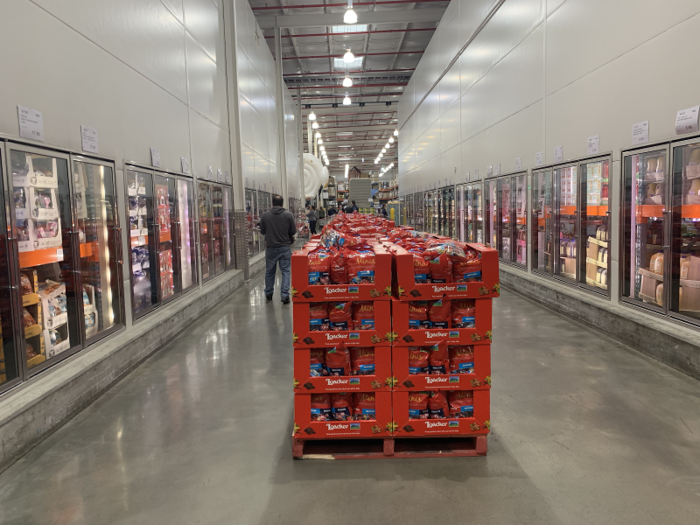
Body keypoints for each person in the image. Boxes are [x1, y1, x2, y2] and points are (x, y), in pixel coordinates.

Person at [260, 194, 296, 304]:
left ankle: (269, 293)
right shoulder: (288, 215)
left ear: (272, 203)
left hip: (270, 247)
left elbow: (262, 231)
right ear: (282, 203)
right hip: (285, 247)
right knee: (285, 271)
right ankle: (285, 295)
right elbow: (293, 231)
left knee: (270, 271)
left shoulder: (265, 216)